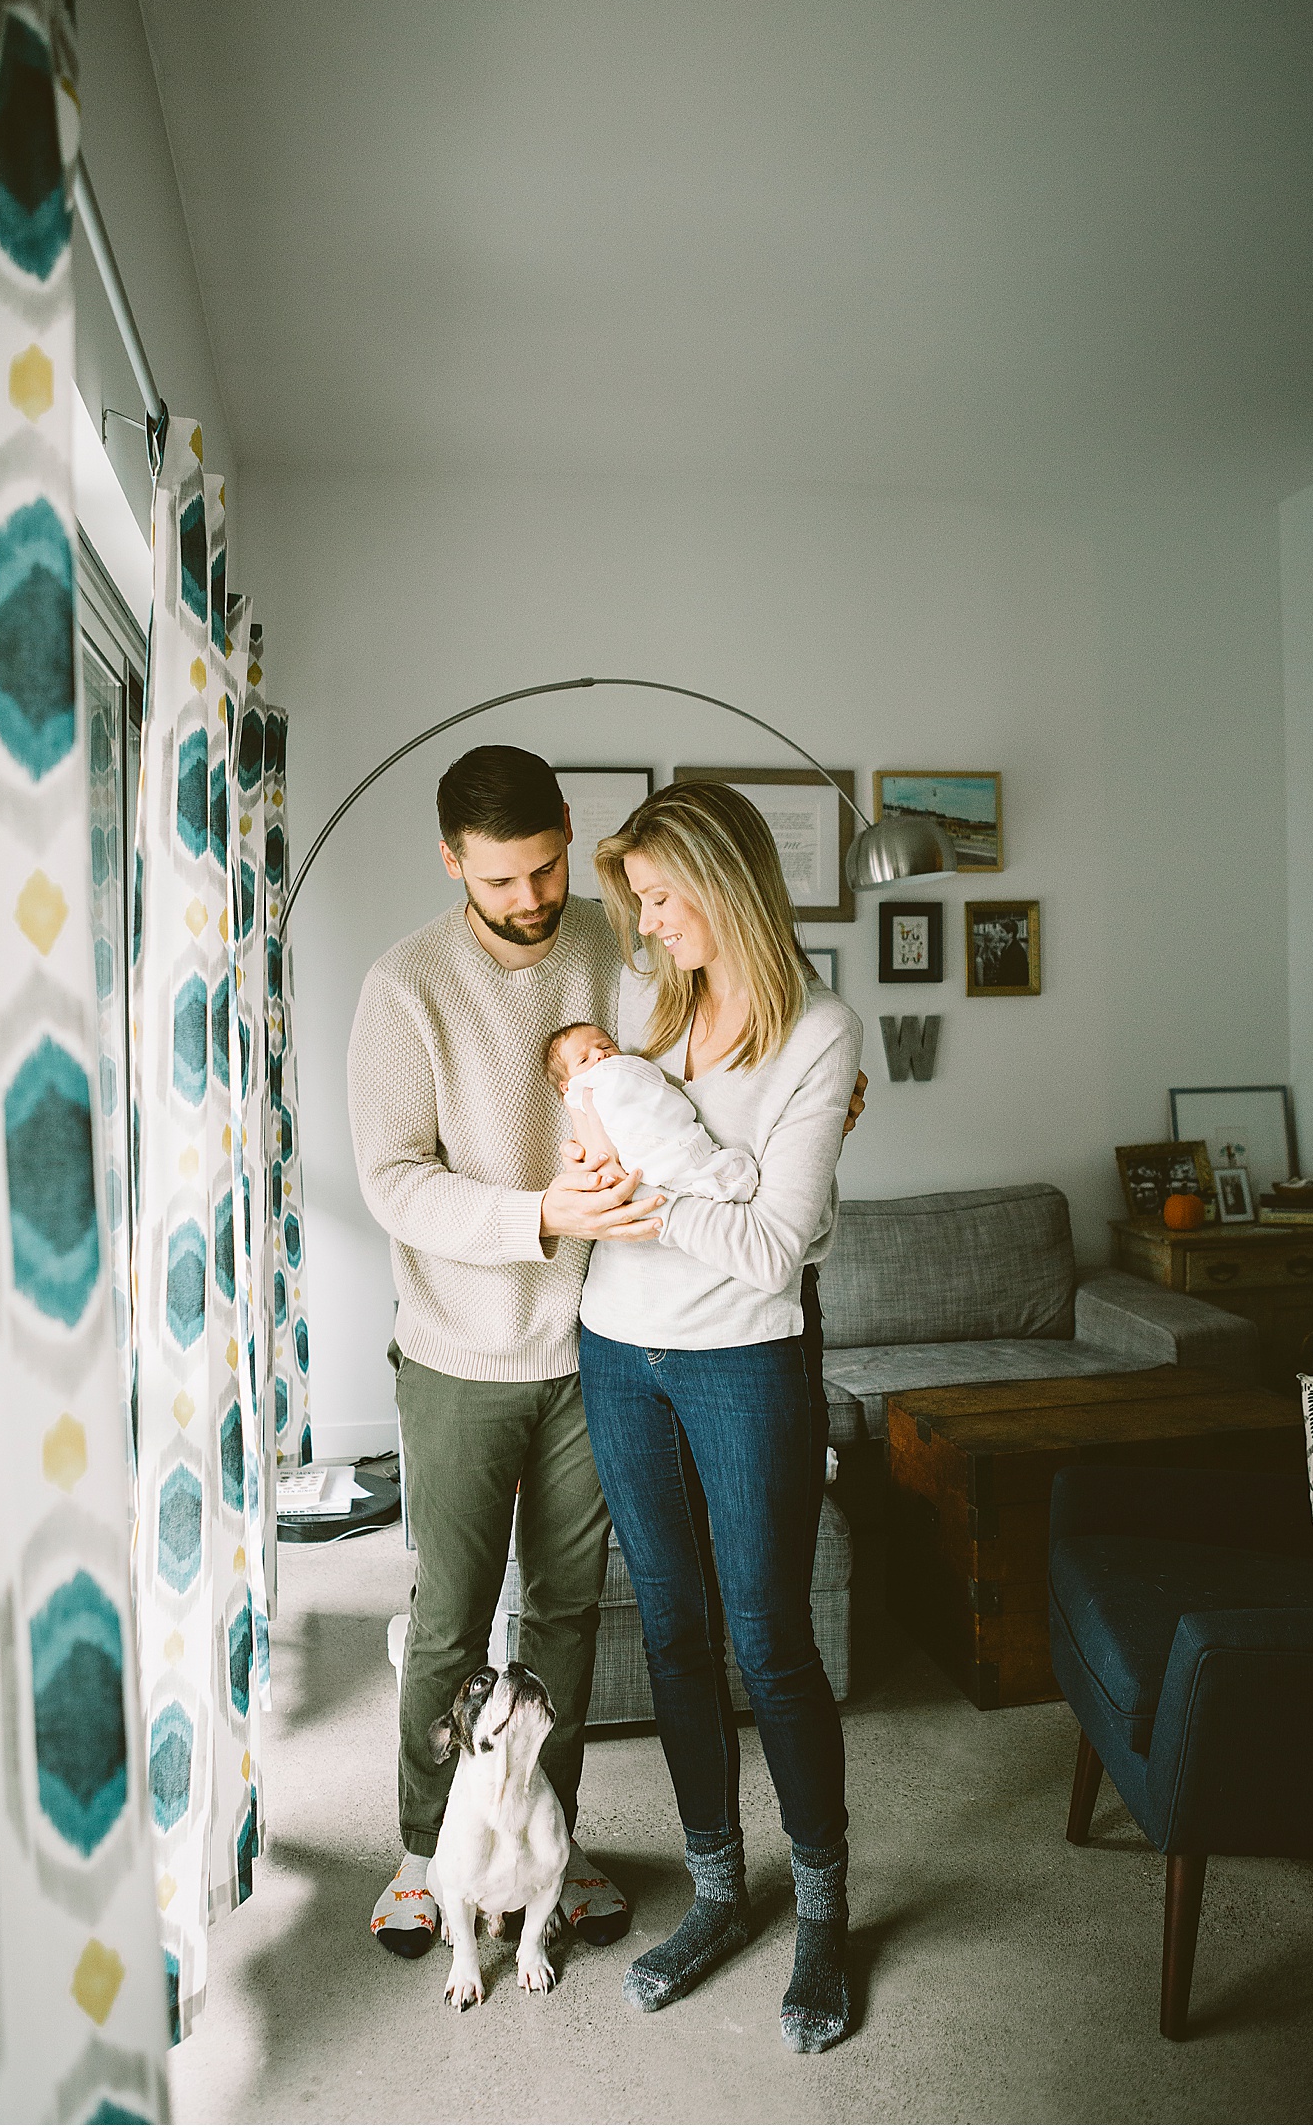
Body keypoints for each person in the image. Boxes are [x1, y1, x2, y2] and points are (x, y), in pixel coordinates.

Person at [347, 744, 665, 1958]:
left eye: (544, 869)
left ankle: (550, 1844)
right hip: (456, 1355)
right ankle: (427, 1849)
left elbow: (674, 1069)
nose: (531, 900)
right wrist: (540, 1215)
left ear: (566, 834)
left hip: (593, 1347)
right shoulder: (404, 986)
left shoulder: (612, 937)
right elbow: (392, 1181)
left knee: (570, 1614)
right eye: (501, 882)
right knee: (448, 1621)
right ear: (450, 861)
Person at [576, 777, 864, 2052]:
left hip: (746, 1361)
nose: (648, 924)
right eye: (635, 903)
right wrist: (612, 1182)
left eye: (660, 897)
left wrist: (652, 1196)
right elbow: (642, 1162)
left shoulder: (819, 1031)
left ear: (724, 877)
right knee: (676, 1633)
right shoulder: (657, 1005)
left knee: (770, 1638)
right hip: (615, 1347)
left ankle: (821, 1914)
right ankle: (715, 1894)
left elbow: (771, 1251)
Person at [543, 1021, 760, 1202]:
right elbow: (595, 1149)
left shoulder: (626, 1069)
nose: (600, 1055)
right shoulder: (580, 1097)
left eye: (607, 1046)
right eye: (583, 1060)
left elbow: (657, 1094)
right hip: (642, 1166)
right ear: (566, 1086)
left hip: (678, 1139)